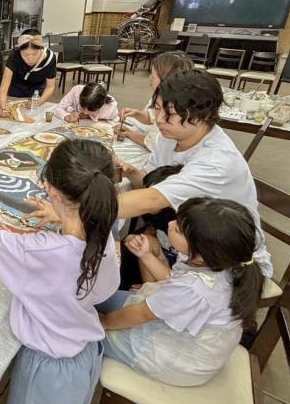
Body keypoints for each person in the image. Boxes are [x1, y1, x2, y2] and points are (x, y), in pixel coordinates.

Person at [28, 69, 273, 278]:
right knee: (100, 254)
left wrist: (68, 210)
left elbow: (152, 199)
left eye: (170, 115)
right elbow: (152, 182)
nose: (160, 120)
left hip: (220, 258)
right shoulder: (171, 135)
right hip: (178, 233)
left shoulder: (217, 161)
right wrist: (133, 172)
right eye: (157, 109)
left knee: (85, 265)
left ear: (204, 117)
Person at [0, 139, 120, 404]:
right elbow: (100, 286)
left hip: (48, 367)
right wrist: (61, 217)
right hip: (83, 355)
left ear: (48, 187)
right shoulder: (104, 236)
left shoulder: (42, 252)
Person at [99, 198, 263, 387]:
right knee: (101, 298)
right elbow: (171, 281)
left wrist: (103, 322)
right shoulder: (223, 262)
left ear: (201, 253)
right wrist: (146, 255)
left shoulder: (194, 288)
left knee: (77, 331)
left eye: (178, 229)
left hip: (173, 359)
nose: (170, 223)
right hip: (181, 335)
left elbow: (143, 314)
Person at [115, 51, 194, 150]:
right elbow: (152, 116)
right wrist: (136, 113)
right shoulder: (165, 96)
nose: (150, 78)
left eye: (153, 76)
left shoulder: (173, 110)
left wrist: (128, 133)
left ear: (166, 80)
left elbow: (152, 143)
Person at [0, 29, 56, 118]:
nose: (30, 58)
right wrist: (2, 107)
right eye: (25, 54)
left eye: (35, 54)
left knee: (34, 117)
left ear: (41, 49)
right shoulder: (14, 56)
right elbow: (4, 88)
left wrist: (39, 102)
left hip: (37, 91)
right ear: (20, 51)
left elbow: (50, 86)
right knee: (14, 115)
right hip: (16, 88)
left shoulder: (49, 58)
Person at [52, 82, 118, 122]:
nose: (85, 113)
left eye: (91, 110)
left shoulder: (110, 108)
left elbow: (113, 119)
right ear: (80, 96)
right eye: (82, 107)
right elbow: (58, 108)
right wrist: (66, 116)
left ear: (101, 105)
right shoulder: (76, 91)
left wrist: (90, 117)